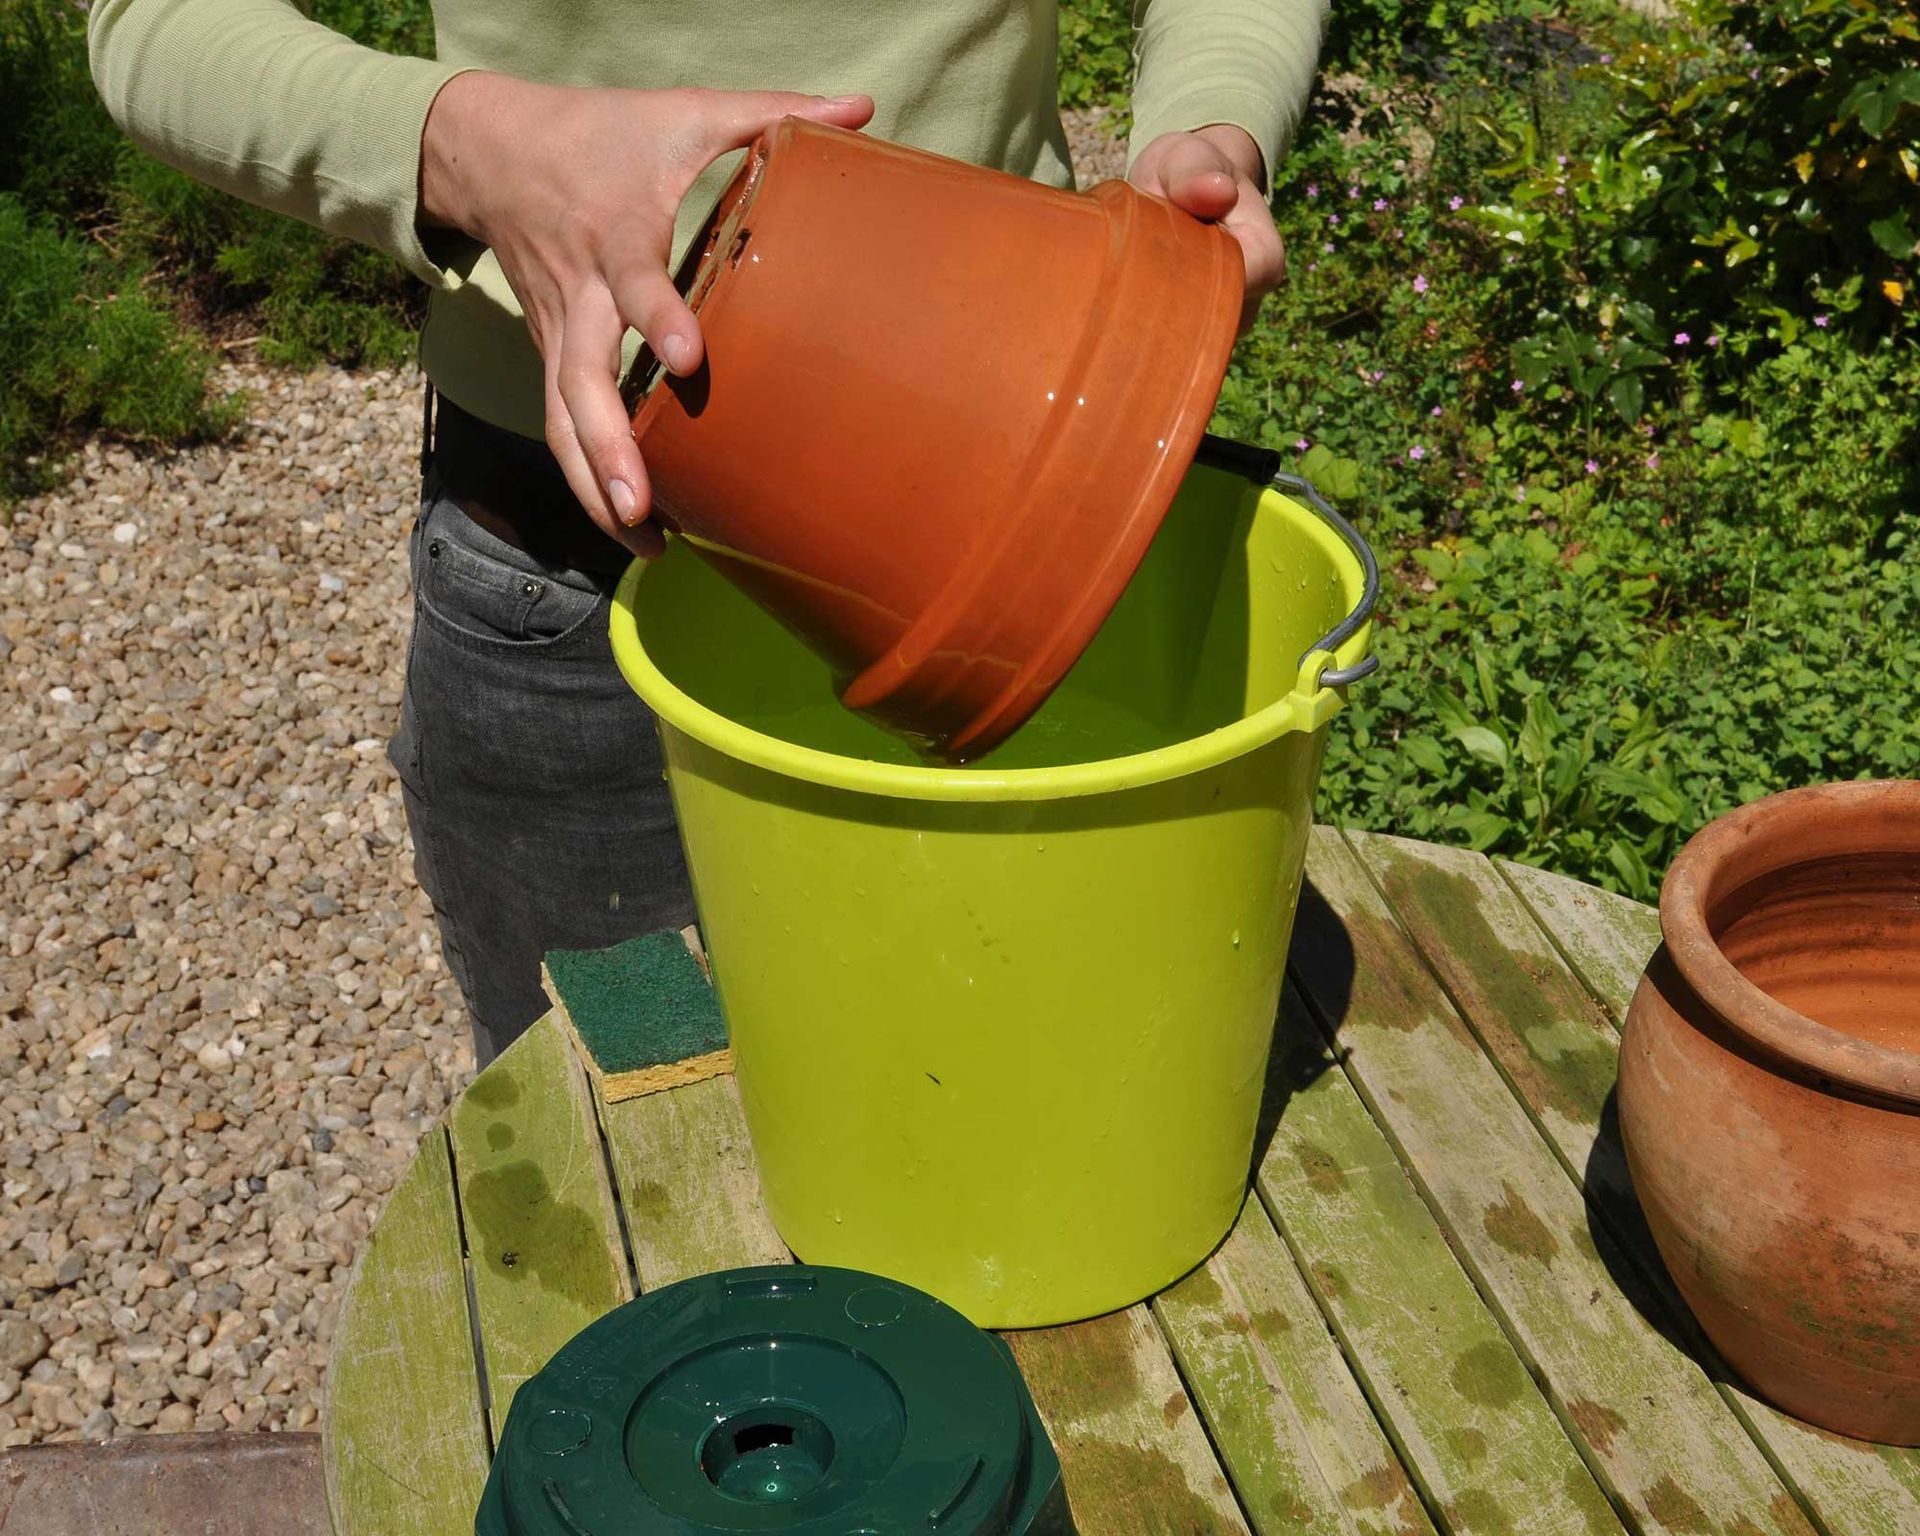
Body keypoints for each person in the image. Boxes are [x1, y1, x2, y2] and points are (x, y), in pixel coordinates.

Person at [87, 0, 1324, 1065]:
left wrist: (1212, 123)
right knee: (636, 1127)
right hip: (571, 580)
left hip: (1038, 506)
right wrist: (472, 148)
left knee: (1033, 1084)